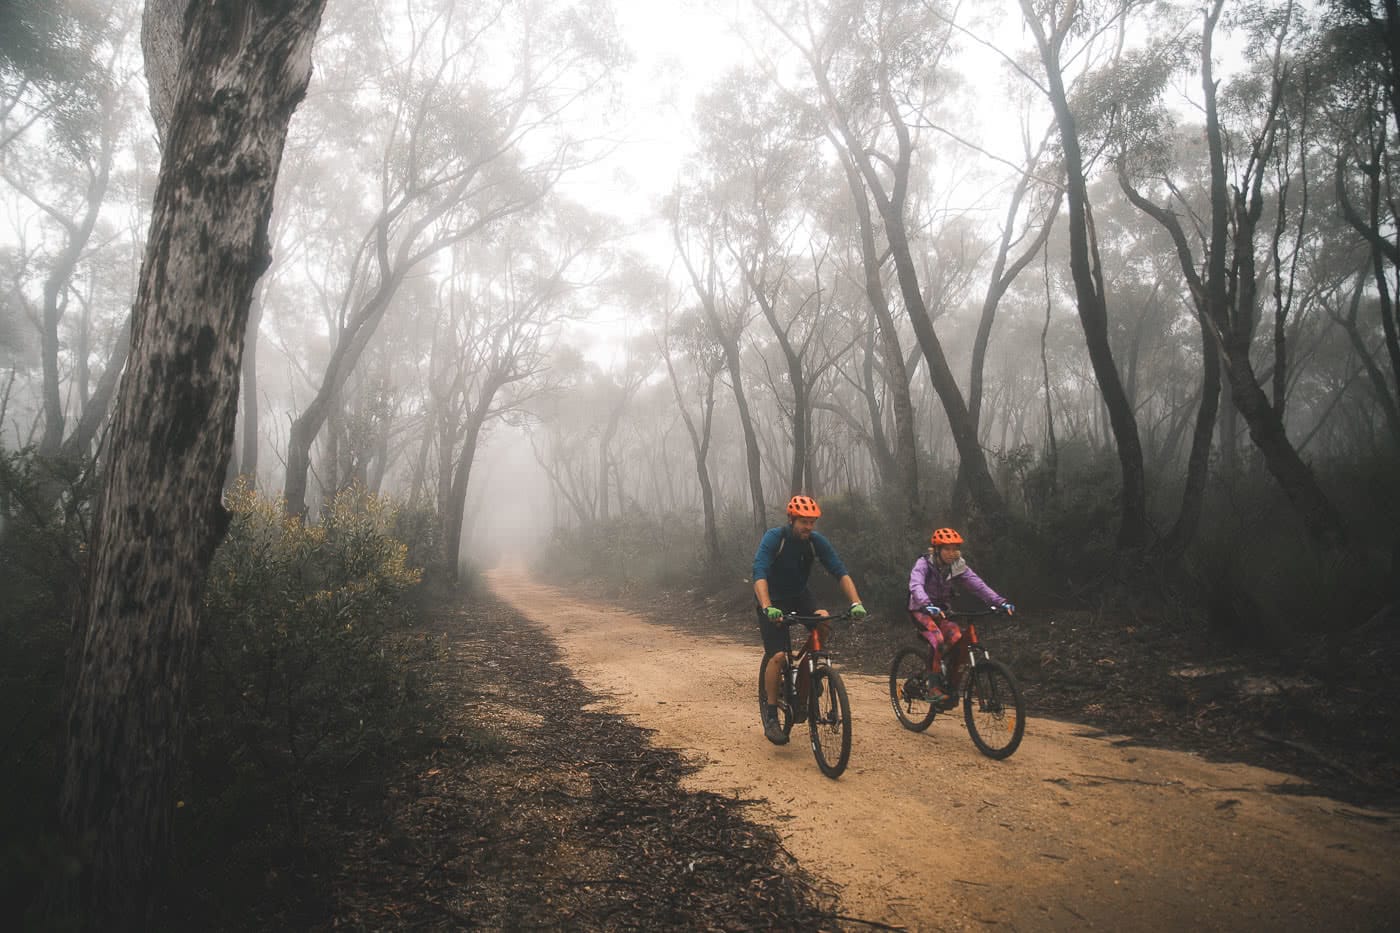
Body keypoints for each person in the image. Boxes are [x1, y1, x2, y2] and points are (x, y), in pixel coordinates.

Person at [752, 494, 867, 745]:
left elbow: (840, 571)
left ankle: (810, 677)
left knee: (823, 619)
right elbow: (759, 572)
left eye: (812, 522)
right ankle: (772, 716)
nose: (809, 527)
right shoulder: (776, 538)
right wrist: (767, 606)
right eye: (804, 521)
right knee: (779, 656)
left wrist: (856, 602)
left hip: (799, 596)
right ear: (791, 519)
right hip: (772, 599)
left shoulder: (815, 542)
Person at [908, 527, 1014, 704]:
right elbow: (916, 585)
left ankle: (946, 681)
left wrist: (1000, 602)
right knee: (938, 639)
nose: (951, 553)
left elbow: (978, 586)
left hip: (941, 610)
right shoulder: (924, 564)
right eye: (946, 549)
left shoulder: (957, 566)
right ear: (936, 550)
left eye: (954, 549)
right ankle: (933, 687)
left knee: (957, 636)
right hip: (920, 609)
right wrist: (926, 604)